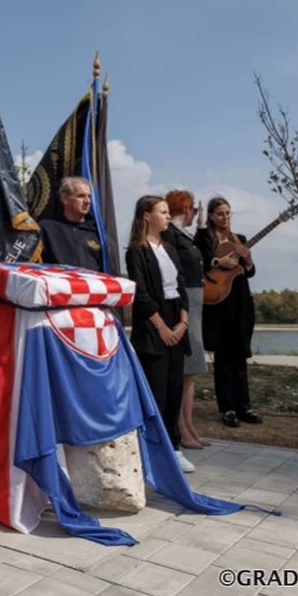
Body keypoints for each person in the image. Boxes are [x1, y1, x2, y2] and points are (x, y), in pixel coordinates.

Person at [125, 195, 196, 474]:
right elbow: (141, 294)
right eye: (163, 212)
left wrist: (182, 324)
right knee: (156, 393)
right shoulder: (136, 252)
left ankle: (174, 448)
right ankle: (151, 451)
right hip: (153, 327)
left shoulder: (170, 250)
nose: (168, 217)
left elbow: (182, 288)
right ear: (146, 215)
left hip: (176, 322)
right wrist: (162, 328)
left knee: (175, 390)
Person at [195, 198, 261, 428]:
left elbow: (249, 272)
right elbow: (199, 262)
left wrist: (248, 260)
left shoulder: (239, 239)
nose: (225, 218)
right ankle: (227, 408)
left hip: (241, 302)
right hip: (218, 302)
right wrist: (218, 261)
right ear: (211, 216)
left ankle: (244, 406)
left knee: (240, 355)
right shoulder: (205, 238)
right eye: (220, 214)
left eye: (228, 213)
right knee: (223, 357)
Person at [161, 190, 209, 449]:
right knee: (184, 366)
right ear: (187, 209)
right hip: (185, 301)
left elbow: (206, 255)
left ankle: (188, 423)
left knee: (191, 369)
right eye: (193, 210)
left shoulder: (186, 236)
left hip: (195, 304)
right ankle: (179, 425)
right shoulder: (171, 233)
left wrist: (201, 228)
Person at [38, 176, 104, 270]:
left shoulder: (98, 233)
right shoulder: (46, 229)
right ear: (65, 199)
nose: (87, 201)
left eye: (89, 196)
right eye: (81, 196)